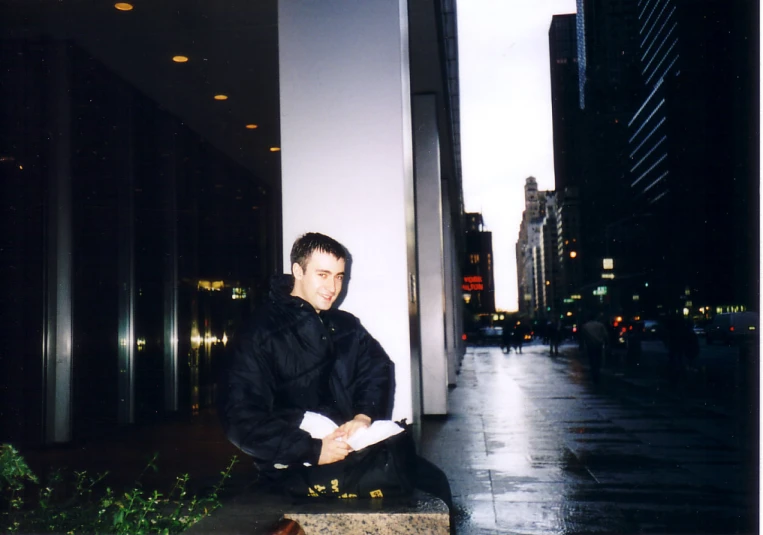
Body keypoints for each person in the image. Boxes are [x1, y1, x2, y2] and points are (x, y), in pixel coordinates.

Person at [217, 232, 451, 507]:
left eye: (339, 276)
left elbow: (377, 368)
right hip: (294, 465)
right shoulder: (259, 331)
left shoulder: (345, 324)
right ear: (297, 271)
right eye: (323, 274)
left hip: (351, 449)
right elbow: (240, 416)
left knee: (434, 483)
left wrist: (364, 417)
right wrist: (314, 449)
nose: (333, 286)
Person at [580, 314, 609, 383]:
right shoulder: (600, 325)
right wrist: (607, 343)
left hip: (590, 344)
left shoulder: (585, 326)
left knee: (591, 358)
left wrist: (582, 345)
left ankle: (594, 371)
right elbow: (605, 335)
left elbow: (582, 336)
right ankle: (597, 371)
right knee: (598, 358)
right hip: (599, 344)